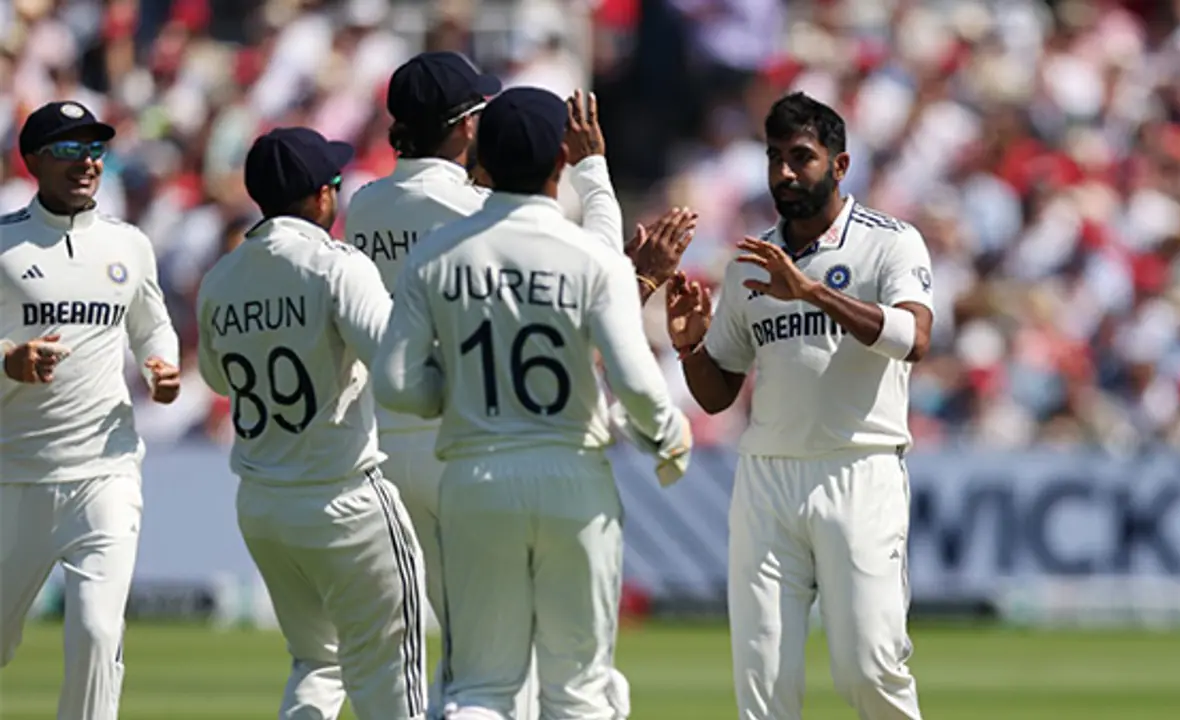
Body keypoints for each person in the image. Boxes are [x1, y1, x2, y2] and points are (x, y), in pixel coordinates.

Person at [345, 52, 693, 720]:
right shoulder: (486, 219)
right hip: (543, 459)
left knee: (478, 676)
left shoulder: (367, 209)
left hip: (430, 455)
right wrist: (594, 175)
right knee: (576, 685)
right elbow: (596, 289)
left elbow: (395, 378)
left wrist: (456, 390)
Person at [666, 92, 933, 720]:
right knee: (763, 684)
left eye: (802, 158)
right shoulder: (750, 263)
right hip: (767, 479)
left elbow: (914, 339)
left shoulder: (890, 243)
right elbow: (718, 391)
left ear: (839, 167)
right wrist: (687, 346)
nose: (785, 173)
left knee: (870, 669)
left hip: (859, 468)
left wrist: (811, 292)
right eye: (775, 158)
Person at [195, 127, 427, 720]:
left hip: (265, 506)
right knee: (389, 671)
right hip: (344, 497)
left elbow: (219, 381)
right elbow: (395, 363)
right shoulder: (337, 265)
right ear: (322, 196)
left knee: (316, 664)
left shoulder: (221, 278)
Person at [0, 100, 181, 720]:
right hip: (15, 474)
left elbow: (153, 328)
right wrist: (8, 359)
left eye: (95, 149)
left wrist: (161, 367)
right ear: (33, 161)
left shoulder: (128, 244)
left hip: (105, 471)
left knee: (99, 634)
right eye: (69, 150)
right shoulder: (3, 244)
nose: (87, 163)